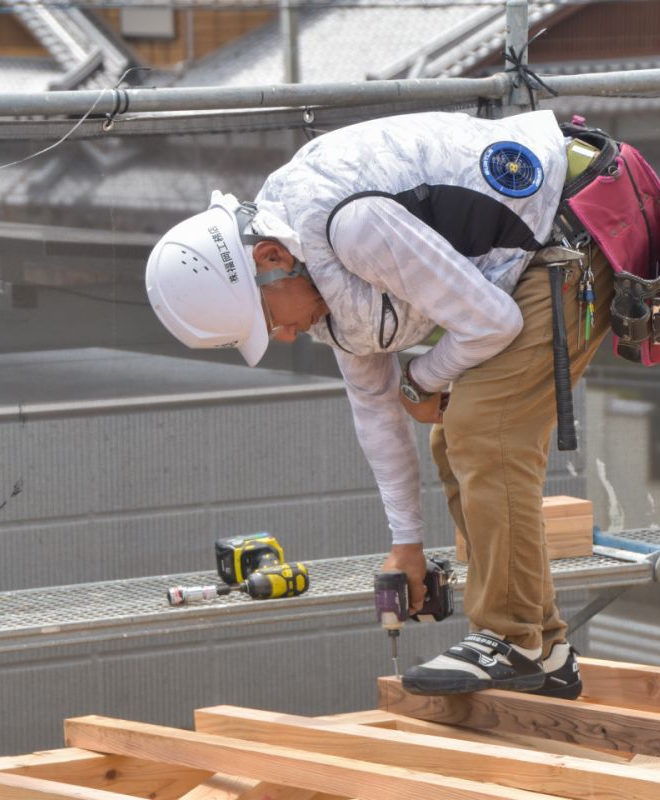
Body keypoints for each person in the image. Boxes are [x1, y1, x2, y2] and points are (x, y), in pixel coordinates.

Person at [145, 109, 611, 698]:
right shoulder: (310, 265)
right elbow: (374, 408)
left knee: (482, 432)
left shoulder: (350, 228)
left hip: (570, 232)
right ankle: (543, 648)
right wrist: (407, 543)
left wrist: (421, 379)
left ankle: (512, 639)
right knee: (457, 437)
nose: (283, 336)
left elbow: (492, 325)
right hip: (526, 255)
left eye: (267, 321)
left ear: (267, 258)